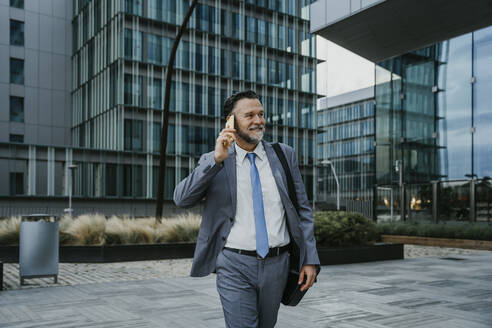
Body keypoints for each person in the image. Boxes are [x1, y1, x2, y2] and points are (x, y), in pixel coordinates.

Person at [173, 90, 320, 328]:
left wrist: (309, 258)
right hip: (234, 264)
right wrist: (216, 160)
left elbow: (302, 210)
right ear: (230, 122)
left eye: (261, 114)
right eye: (249, 115)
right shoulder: (215, 159)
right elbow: (181, 199)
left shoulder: (284, 155)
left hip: (278, 263)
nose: (258, 120)